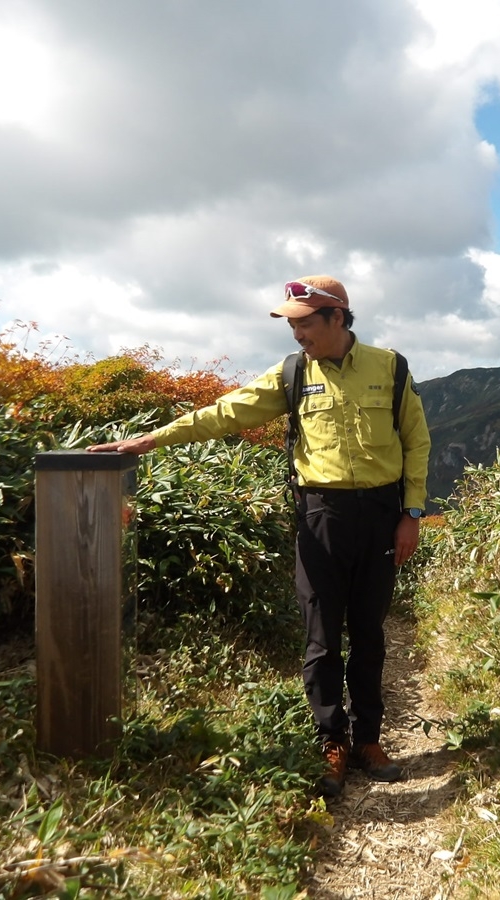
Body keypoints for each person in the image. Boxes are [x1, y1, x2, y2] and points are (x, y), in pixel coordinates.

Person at [88, 275, 431, 798]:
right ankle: (331, 741)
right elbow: (225, 413)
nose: (296, 334)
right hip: (320, 515)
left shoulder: (391, 367)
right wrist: (149, 440)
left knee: (368, 632)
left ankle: (369, 740)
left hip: (382, 516)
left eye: (304, 322)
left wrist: (411, 514)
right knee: (321, 636)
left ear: (337, 317)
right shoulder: (292, 374)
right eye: (291, 324)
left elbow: (416, 441)